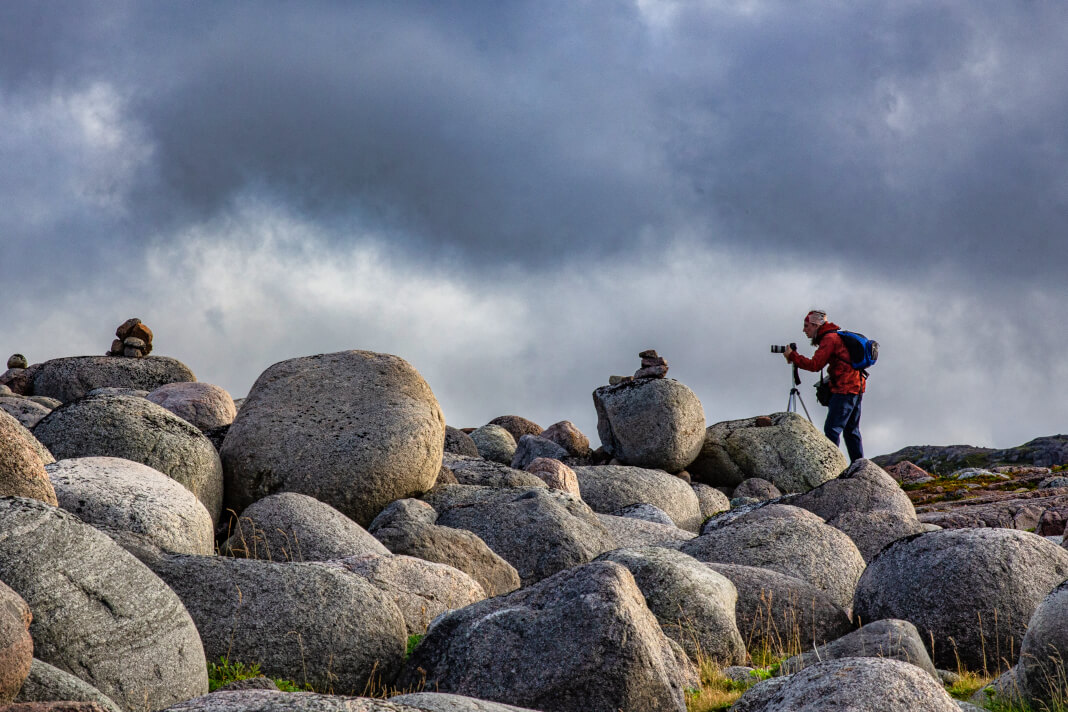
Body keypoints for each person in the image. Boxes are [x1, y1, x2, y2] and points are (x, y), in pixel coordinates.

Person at [783, 309, 865, 461]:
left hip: (844, 388)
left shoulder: (829, 339)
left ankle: (831, 465)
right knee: (851, 430)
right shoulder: (836, 335)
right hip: (856, 387)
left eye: (807, 326)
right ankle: (859, 465)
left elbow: (815, 365)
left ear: (815, 325)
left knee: (832, 429)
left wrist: (793, 356)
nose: (804, 330)